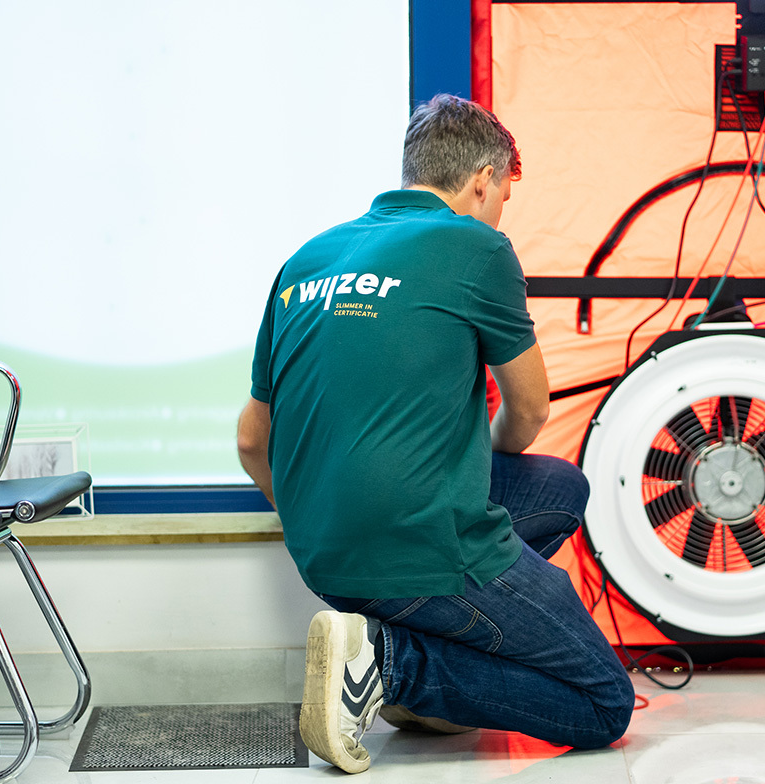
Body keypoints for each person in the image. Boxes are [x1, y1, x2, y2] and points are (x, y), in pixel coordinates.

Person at [237, 94, 634, 774]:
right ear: (483, 179)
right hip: (417, 544)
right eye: (504, 196)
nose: (500, 212)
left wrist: (323, 516)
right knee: (603, 704)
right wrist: (474, 470)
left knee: (559, 488)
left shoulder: (308, 257)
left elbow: (252, 440)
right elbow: (530, 409)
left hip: (322, 553)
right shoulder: (476, 247)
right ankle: (392, 666)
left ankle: (410, 658)